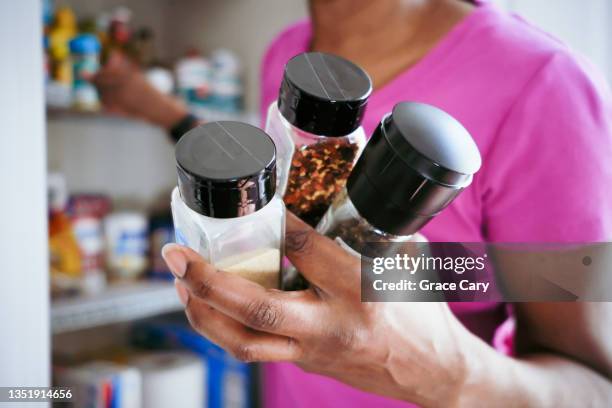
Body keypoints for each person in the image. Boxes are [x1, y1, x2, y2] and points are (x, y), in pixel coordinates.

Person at [93, 0, 612, 406]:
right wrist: (171, 118)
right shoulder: (289, 51)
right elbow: (286, 192)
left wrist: (445, 374)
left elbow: (594, 388)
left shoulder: (543, 85)